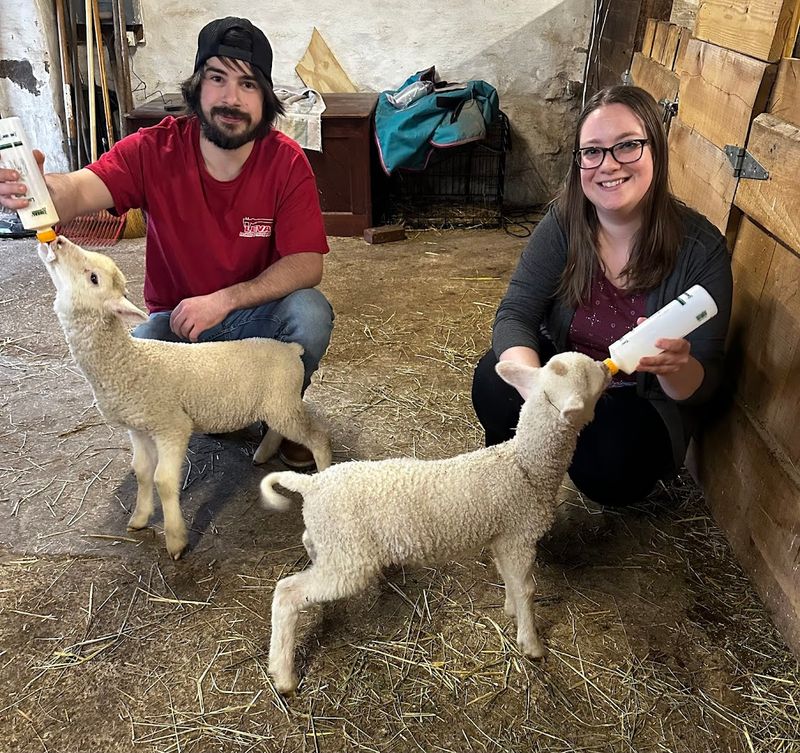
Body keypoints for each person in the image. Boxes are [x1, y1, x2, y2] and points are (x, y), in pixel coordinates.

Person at [0, 17, 333, 469]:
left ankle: (282, 417)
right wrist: (40, 190)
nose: (231, 98)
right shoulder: (153, 150)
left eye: (248, 84)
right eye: (217, 78)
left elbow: (307, 263)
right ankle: (218, 410)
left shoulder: (286, 162)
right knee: (140, 342)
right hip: (179, 325)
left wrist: (224, 300)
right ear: (196, 86)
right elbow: (78, 189)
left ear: (266, 98)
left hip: (251, 319)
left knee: (310, 313)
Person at [471, 85, 732, 507]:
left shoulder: (701, 249)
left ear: (656, 150)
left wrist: (676, 367)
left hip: (635, 398)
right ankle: (515, 485)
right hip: (564, 379)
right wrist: (539, 389)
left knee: (614, 468)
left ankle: (567, 461)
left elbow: (704, 385)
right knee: (493, 380)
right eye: (592, 151)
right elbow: (516, 311)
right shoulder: (565, 222)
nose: (608, 165)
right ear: (579, 161)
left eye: (627, 145)